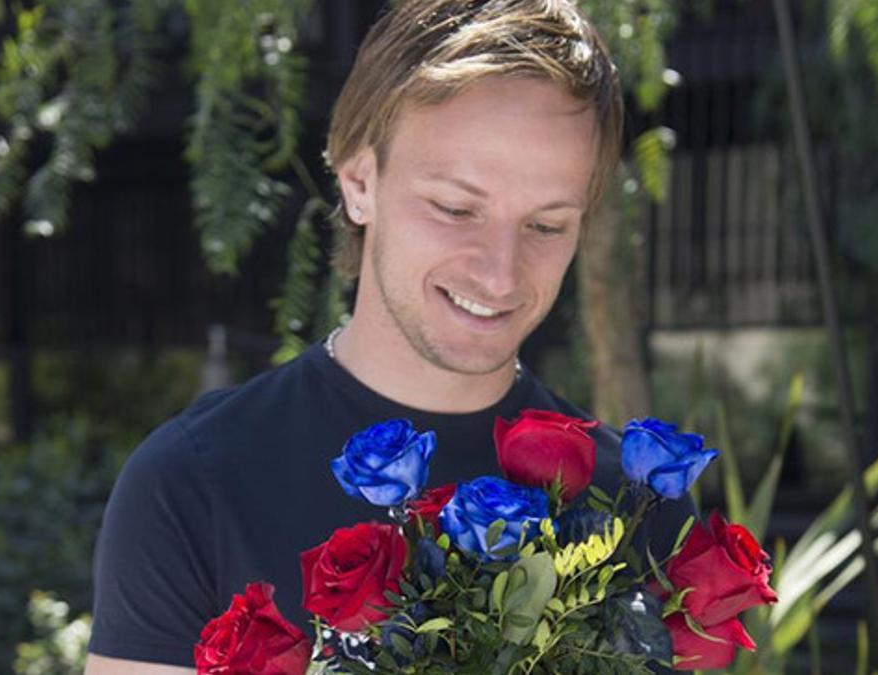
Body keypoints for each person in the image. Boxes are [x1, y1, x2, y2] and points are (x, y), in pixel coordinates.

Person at [84, 1, 694, 672]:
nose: (500, 273)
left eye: (546, 225)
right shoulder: (194, 483)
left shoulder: (637, 511)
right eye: (456, 208)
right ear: (359, 183)